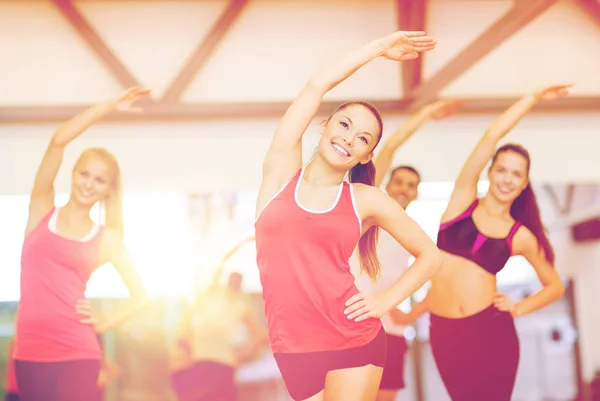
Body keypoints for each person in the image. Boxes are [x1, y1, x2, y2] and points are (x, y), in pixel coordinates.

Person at [254, 31, 443, 401]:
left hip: (354, 338)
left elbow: (430, 255)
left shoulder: (364, 199)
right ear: (324, 125)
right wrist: (377, 49)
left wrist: (383, 302)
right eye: (344, 125)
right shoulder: (279, 175)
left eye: (363, 139)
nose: (348, 138)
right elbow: (315, 86)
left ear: (367, 155)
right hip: (292, 346)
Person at [393, 85, 570, 401]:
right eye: (501, 170)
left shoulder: (520, 235)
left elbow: (554, 286)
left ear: (524, 182)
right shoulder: (461, 200)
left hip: (492, 332)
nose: (506, 179)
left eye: (516, 174)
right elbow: (490, 137)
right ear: (489, 171)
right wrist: (530, 97)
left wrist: (518, 308)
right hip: (445, 332)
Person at [13, 87, 149, 401]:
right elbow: (58, 140)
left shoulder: (107, 240)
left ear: (107, 189)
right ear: (72, 174)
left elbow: (141, 296)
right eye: (84, 174)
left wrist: (104, 322)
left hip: (77, 352)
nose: (88, 183)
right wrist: (109, 105)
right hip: (29, 352)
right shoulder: (40, 211)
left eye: (99, 180)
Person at [351, 99, 462, 401]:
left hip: (391, 334)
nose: (403, 187)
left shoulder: (414, 235)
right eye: (398, 181)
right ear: (386, 184)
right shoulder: (369, 208)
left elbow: (441, 275)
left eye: (410, 184)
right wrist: (426, 113)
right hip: (352, 324)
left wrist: (411, 314)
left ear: (416, 192)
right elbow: (388, 149)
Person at [171, 238, 267, 401]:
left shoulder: (240, 307)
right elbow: (219, 267)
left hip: (224, 369)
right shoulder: (210, 298)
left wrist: (245, 353)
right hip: (200, 368)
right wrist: (238, 246)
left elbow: (263, 336)